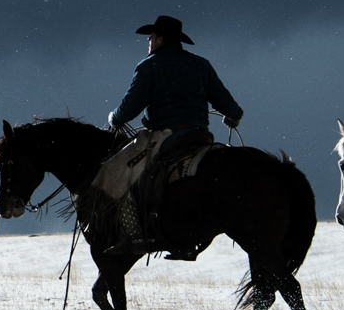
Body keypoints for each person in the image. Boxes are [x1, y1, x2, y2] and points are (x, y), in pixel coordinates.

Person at [99, 15, 242, 257]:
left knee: (127, 175)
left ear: (161, 38)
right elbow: (232, 109)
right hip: (200, 138)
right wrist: (232, 118)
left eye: (152, 36)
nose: (149, 40)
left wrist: (113, 118)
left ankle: (139, 233)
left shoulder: (149, 66)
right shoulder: (201, 65)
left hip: (166, 138)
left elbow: (128, 109)